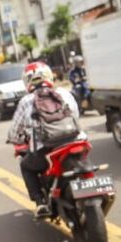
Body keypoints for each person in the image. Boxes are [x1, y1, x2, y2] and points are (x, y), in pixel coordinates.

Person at [7, 62, 81, 218]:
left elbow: (15, 130)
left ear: (27, 82)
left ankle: (40, 202)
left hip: (46, 148)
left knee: (26, 166)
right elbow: (75, 114)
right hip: (76, 140)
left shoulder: (26, 100)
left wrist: (14, 139)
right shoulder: (64, 92)